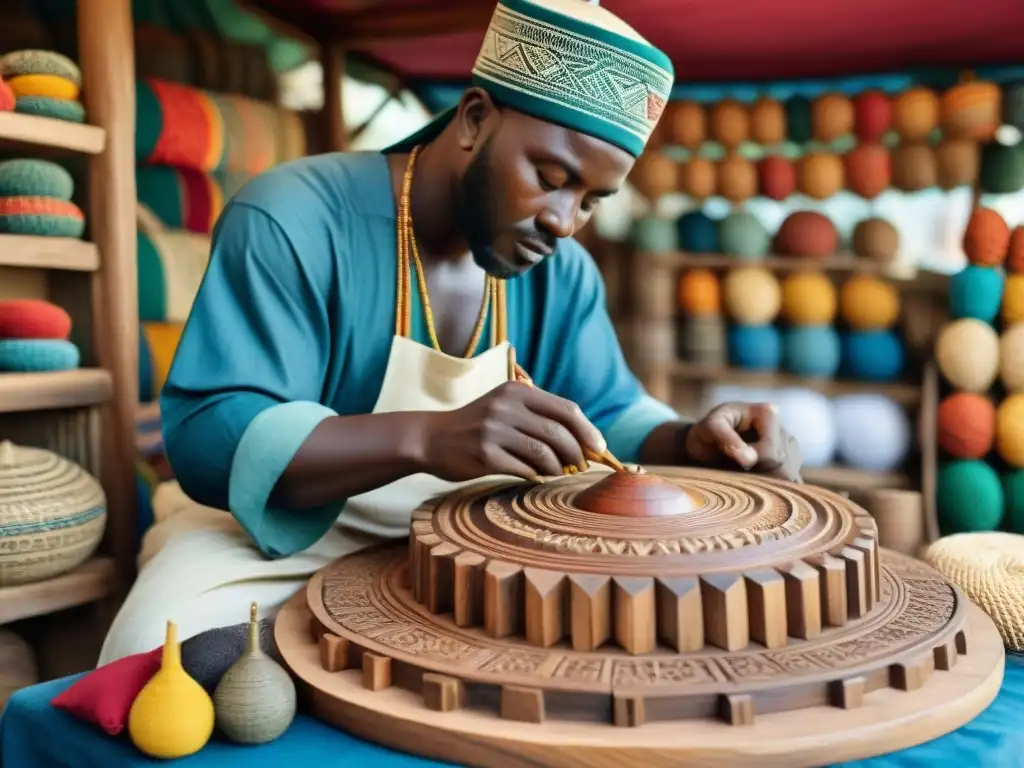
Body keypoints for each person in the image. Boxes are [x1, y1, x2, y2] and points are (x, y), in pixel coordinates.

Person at [99, 0, 801, 663]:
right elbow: (212, 434)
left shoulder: (564, 273)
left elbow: (606, 413)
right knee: (150, 661)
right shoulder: (294, 218)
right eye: (550, 176)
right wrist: (427, 437)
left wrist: (690, 441)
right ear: (473, 119)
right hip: (273, 548)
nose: (564, 221)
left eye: (591, 200)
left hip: (473, 551)